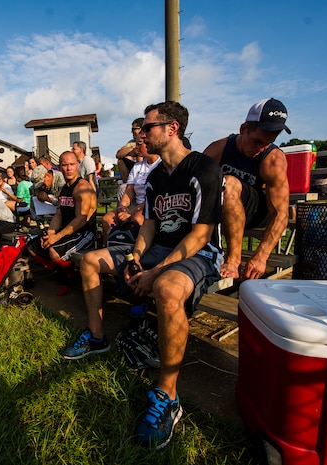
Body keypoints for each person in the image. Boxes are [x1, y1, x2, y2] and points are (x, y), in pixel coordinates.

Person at [62, 101, 223, 449]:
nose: (141, 134)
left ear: (171, 129)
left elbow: (201, 235)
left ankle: (167, 394)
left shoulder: (203, 169)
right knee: (90, 261)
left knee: (165, 288)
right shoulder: (154, 177)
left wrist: (155, 271)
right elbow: (149, 225)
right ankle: (96, 337)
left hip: (197, 251)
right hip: (156, 248)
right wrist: (136, 256)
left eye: (148, 127)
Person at [202, 97, 291, 280]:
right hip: (222, 208)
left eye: (268, 143)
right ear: (243, 129)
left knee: (229, 183)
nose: (260, 148)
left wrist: (261, 257)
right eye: (256, 141)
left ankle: (233, 260)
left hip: (256, 212)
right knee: (219, 185)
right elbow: (192, 184)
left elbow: (280, 214)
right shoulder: (218, 148)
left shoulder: (273, 160)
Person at [27, 151, 97, 296]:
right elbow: (58, 214)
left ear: (77, 165)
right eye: (65, 165)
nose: (69, 168)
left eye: (72, 164)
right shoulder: (64, 189)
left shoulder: (82, 187)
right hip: (67, 231)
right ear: (59, 167)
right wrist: (50, 233)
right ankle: (65, 269)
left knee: (53, 251)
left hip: (84, 233)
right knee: (33, 246)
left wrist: (56, 237)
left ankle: (66, 275)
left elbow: (81, 219)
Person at [99, 140, 160, 245]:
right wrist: (122, 208)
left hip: (152, 206)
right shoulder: (137, 167)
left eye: (139, 144)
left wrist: (131, 212)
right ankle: (108, 252)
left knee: (136, 220)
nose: (136, 147)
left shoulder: (160, 165)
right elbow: (129, 191)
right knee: (107, 219)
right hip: (136, 205)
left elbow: (153, 198)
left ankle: (135, 256)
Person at [115, 117, 144, 184]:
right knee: (122, 160)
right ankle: (128, 184)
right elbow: (118, 154)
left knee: (140, 156)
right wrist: (132, 148)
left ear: (141, 129)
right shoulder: (132, 142)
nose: (132, 131)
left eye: (134, 129)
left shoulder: (149, 139)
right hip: (136, 168)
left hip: (148, 168)